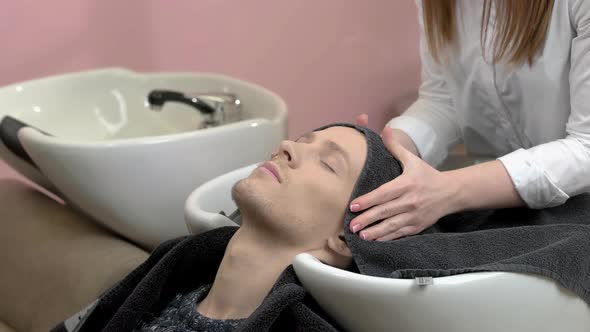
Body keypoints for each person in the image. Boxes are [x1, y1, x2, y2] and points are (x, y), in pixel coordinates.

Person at [50, 124, 380, 332]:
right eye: (301, 140)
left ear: (344, 239)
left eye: (327, 163)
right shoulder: (167, 282)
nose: (286, 146)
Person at [347, 0, 590, 242]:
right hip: (506, 215)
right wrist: (383, 151)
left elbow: (586, 148)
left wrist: (447, 190)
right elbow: (444, 99)